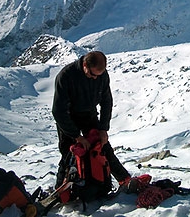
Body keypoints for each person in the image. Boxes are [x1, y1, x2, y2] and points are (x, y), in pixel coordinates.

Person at [52, 51, 132, 190]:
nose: (95, 78)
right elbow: (58, 111)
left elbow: (106, 101)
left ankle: (125, 180)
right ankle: (60, 191)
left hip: (89, 115)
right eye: (92, 74)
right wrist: (76, 136)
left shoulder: (101, 75)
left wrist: (103, 129)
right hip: (69, 118)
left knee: (103, 147)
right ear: (84, 65)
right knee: (69, 154)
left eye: (98, 75)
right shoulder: (66, 76)